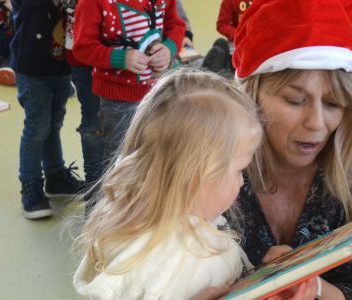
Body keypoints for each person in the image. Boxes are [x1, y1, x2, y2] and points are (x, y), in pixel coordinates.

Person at [226, 0, 352, 298]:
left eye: (333, 103)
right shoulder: (213, 155)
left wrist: (314, 287)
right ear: (251, 96)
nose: (317, 123)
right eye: (295, 100)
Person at [72, 69, 263, 299]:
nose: (243, 182)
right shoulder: (188, 259)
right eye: (240, 170)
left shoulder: (136, 230)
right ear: (194, 175)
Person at [72, 0, 186, 209]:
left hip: (159, 92)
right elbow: (82, 47)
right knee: (122, 163)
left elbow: (176, 26)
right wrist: (120, 58)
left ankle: (152, 214)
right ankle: (114, 219)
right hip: (118, 100)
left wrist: (169, 49)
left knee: (161, 155)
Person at [10, 0, 84, 219]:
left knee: (53, 124)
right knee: (37, 127)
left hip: (61, 65)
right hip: (33, 69)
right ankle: (30, 183)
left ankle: (55, 175)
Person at [62, 0, 104, 191]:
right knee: (93, 123)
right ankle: (95, 191)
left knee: (131, 124)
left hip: (131, 54)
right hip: (85, 55)